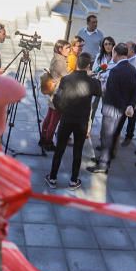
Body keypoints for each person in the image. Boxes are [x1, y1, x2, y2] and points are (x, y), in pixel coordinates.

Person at [46, 52, 101, 189]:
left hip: (67, 118)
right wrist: (94, 78)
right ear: (88, 66)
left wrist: (62, 110)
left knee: (60, 149)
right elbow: (99, 92)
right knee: (78, 150)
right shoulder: (92, 82)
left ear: (77, 63)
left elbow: (57, 98)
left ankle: (52, 178)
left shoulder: (66, 79)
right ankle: (73, 180)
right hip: (81, 121)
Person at [87, 43, 136, 174]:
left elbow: (112, 92)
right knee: (111, 137)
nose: (112, 56)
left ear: (116, 53)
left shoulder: (115, 71)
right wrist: (129, 105)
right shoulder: (132, 69)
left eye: (113, 53)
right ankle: (103, 160)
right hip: (121, 110)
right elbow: (135, 90)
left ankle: (103, 165)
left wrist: (101, 88)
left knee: (106, 138)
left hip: (112, 110)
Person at [39, 39, 71, 150]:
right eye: (67, 48)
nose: (69, 50)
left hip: (53, 93)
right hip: (58, 94)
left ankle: (43, 138)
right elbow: (67, 77)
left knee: (49, 117)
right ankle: (48, 142)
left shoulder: (57, 58)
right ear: (60, 49)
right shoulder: (60, 61)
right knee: (54, 120)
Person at [89, 36, 116, 135]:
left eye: (110, 44)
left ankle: (103, 134)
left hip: (109, 87)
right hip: (98, 84)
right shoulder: (99, 56)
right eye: (106, 44)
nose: (108, 46)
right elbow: (95, 70)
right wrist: (100, 73)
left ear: (113, 45)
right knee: (92, 107)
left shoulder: (116, 57)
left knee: (106, 111)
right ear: (103, 46)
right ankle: (88, 129)